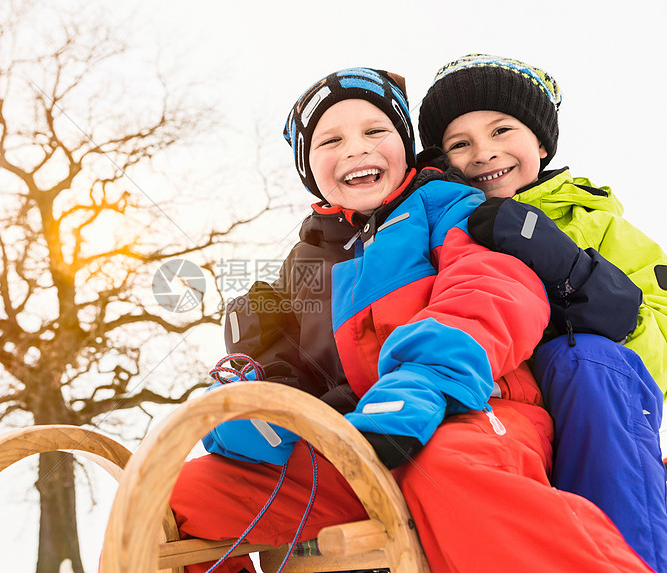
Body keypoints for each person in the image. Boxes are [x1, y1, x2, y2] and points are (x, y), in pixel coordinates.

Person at [168, 66, 655, 573]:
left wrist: (422, 381)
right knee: (190, 494)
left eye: (375, 131)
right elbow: (295, 365)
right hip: (362, 439)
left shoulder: (451, 207)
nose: (357, 149)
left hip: (474, 411)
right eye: (331, 139)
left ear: (406, 146)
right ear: (310, 170)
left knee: (443, 467)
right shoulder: (307, 262)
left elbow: (492, 292)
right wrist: (257, 398)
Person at [417, 53, 667, 572]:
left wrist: (570, 270)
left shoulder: (598, 225)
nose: (484, 153)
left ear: (541, 143)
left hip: (599, 415)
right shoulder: (437, 227)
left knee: (584, 359)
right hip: (494, 413)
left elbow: (657, 345)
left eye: (501, 129)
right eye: (460, 143)